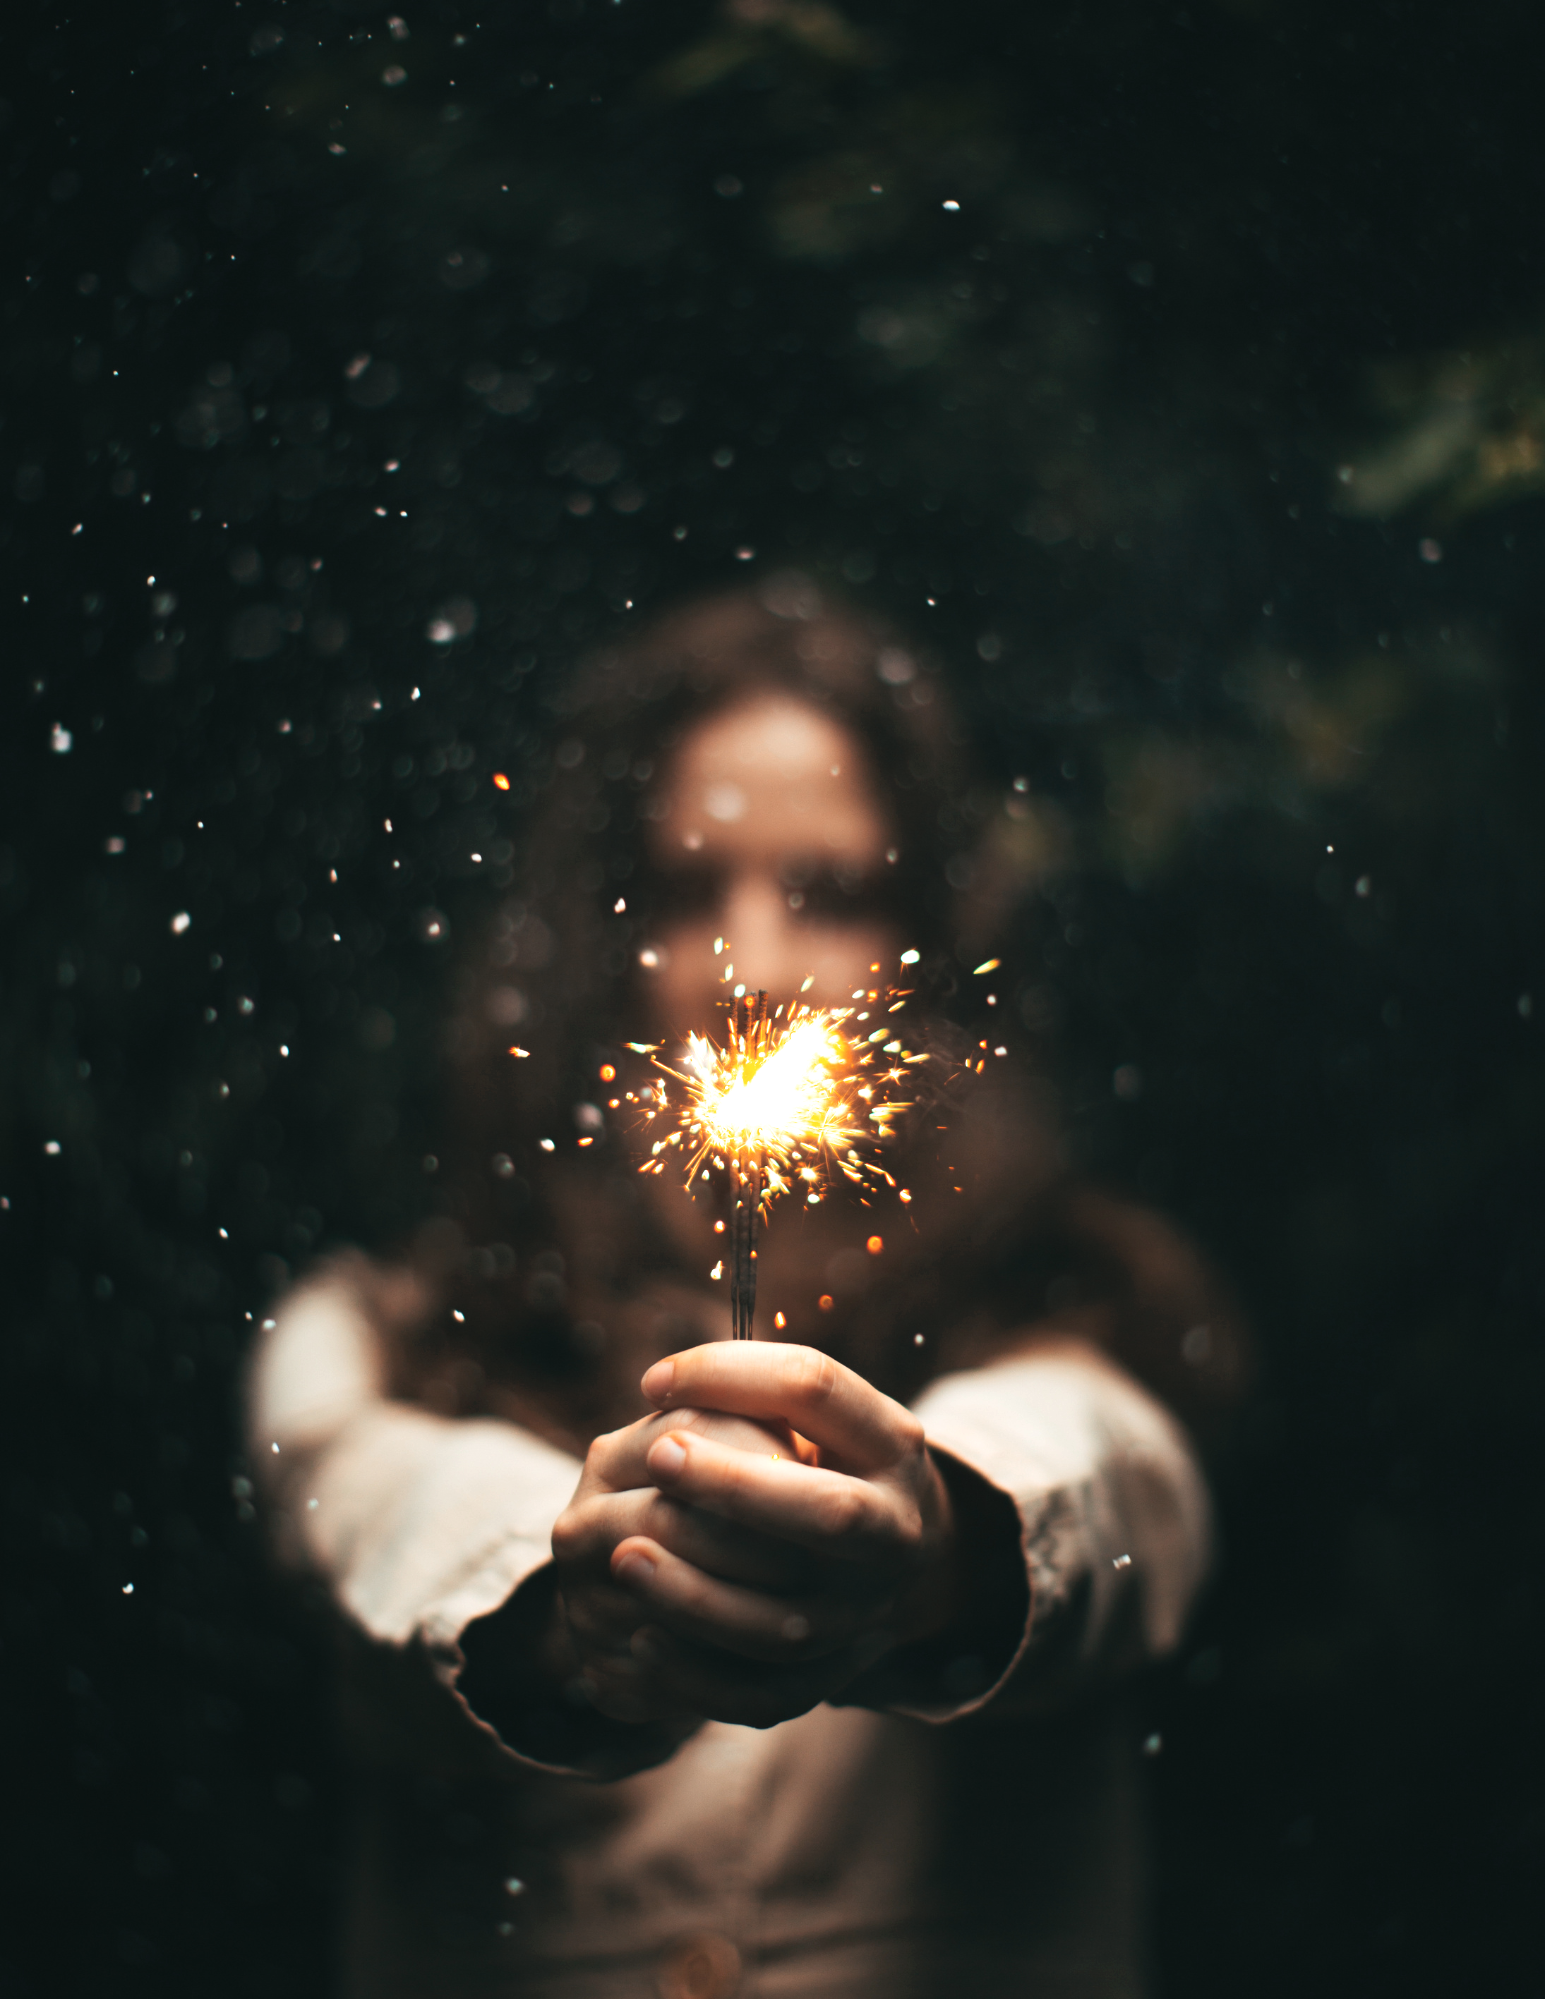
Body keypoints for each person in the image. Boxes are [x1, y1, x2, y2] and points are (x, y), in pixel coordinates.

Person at [250, 576, 1248, 1998]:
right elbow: (377, 1509)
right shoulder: (377, 1335)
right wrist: (566, 1605)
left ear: (933, 943)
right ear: (591, 945)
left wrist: (936, 1539)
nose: (754, 969)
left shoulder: (1076, 1298)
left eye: (829, 895)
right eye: (678, 892)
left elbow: (1097, 1474)